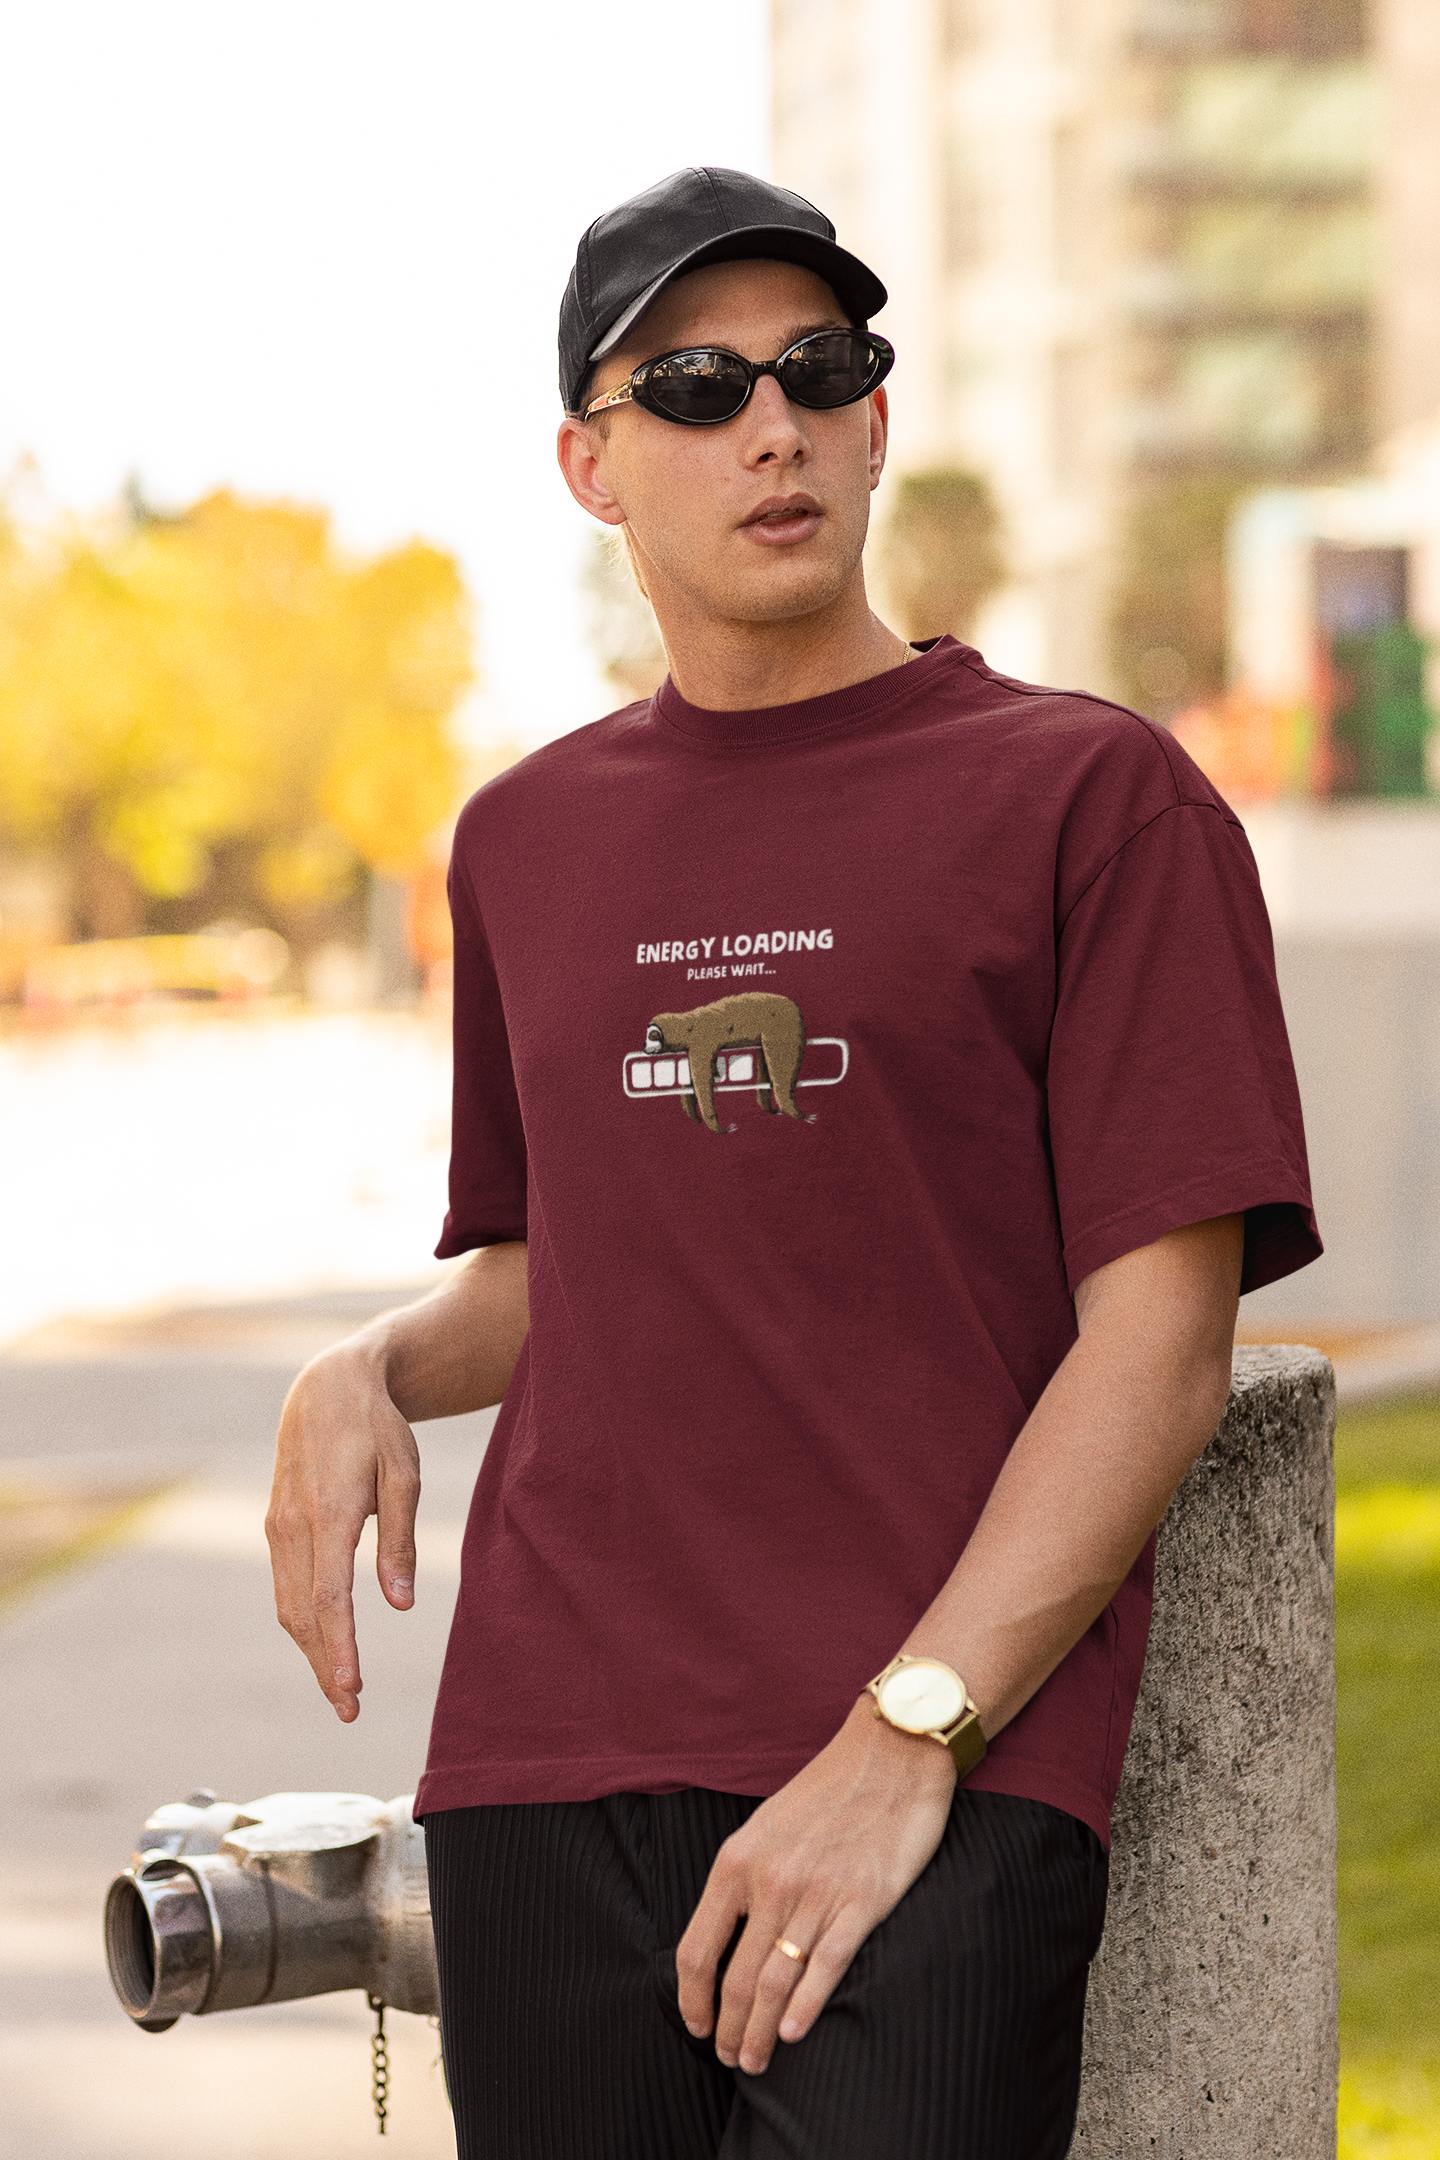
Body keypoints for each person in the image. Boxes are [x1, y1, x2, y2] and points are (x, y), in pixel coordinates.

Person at [266, 166, 1320, 2159]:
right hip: (546, 1761)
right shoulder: (524, 842)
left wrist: (908, 1735)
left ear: (874, 421)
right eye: (694, 385)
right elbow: (552, 1260)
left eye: (818, 369)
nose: (771, 422)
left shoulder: (1095, 800)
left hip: (932, 1763)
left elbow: (1162, 1342)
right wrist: (373, 1369)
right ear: (591, 463)